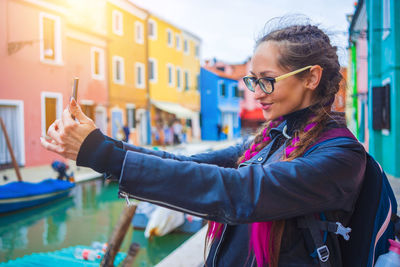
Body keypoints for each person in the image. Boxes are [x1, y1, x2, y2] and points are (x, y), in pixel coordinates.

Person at [41, 19, 366, 266]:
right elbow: (189, 165)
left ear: (311, 78)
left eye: (267, 81)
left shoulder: (339, 156)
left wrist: (100, 153)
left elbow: (242, 193)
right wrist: (101, 145)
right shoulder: (270, 138)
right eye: (253, 80)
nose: (255, 93)